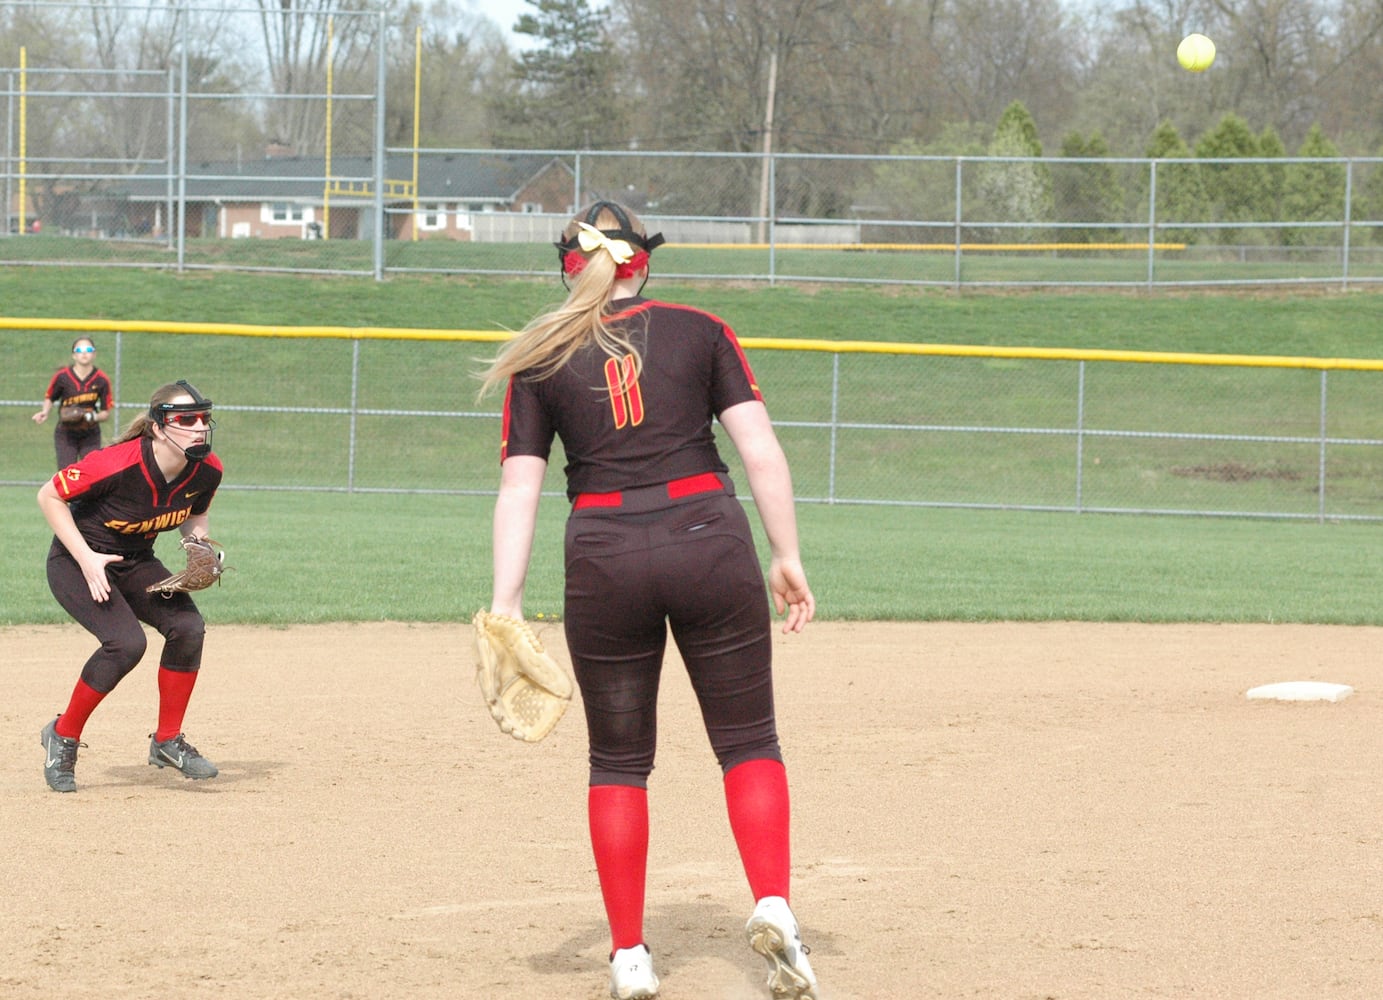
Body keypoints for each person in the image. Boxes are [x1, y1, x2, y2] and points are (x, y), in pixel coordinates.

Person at [477, 201, 819, 1000]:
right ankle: (772, 904)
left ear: (569, 267)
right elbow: (759, 449)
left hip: (603, 553)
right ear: (645, 263)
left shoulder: (541, 354)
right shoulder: (702, 328)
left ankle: (629, 955)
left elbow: (517, 490)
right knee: (748, 741)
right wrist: (787, 554)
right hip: (708, 536)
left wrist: (506, 602)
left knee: (618, 762)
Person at [37, 380, 224, 793]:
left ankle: (167, 741)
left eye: (203, 419)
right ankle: (62, 735)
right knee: (126, 644)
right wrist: (86, 559)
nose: (198, 427)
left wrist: (198, 547)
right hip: (76, 561)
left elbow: (197, 513)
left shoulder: (207, 469)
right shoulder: (115, 463)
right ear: (158, 427)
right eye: (186, 419)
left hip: (135, 561)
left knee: (188, 628)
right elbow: (49, 495)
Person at [32, 336, 114, 469]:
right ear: (74, 355)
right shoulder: (62, 377)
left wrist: (92, 416)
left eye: (88, 349)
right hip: (66, 433)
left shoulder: (101, 380)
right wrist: (45, 412)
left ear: (94, 354)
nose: (84, 353)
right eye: (79, 349)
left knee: (91, 473)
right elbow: (50, 397)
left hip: (90, 433)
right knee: (67, 474)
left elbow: (105, 413)